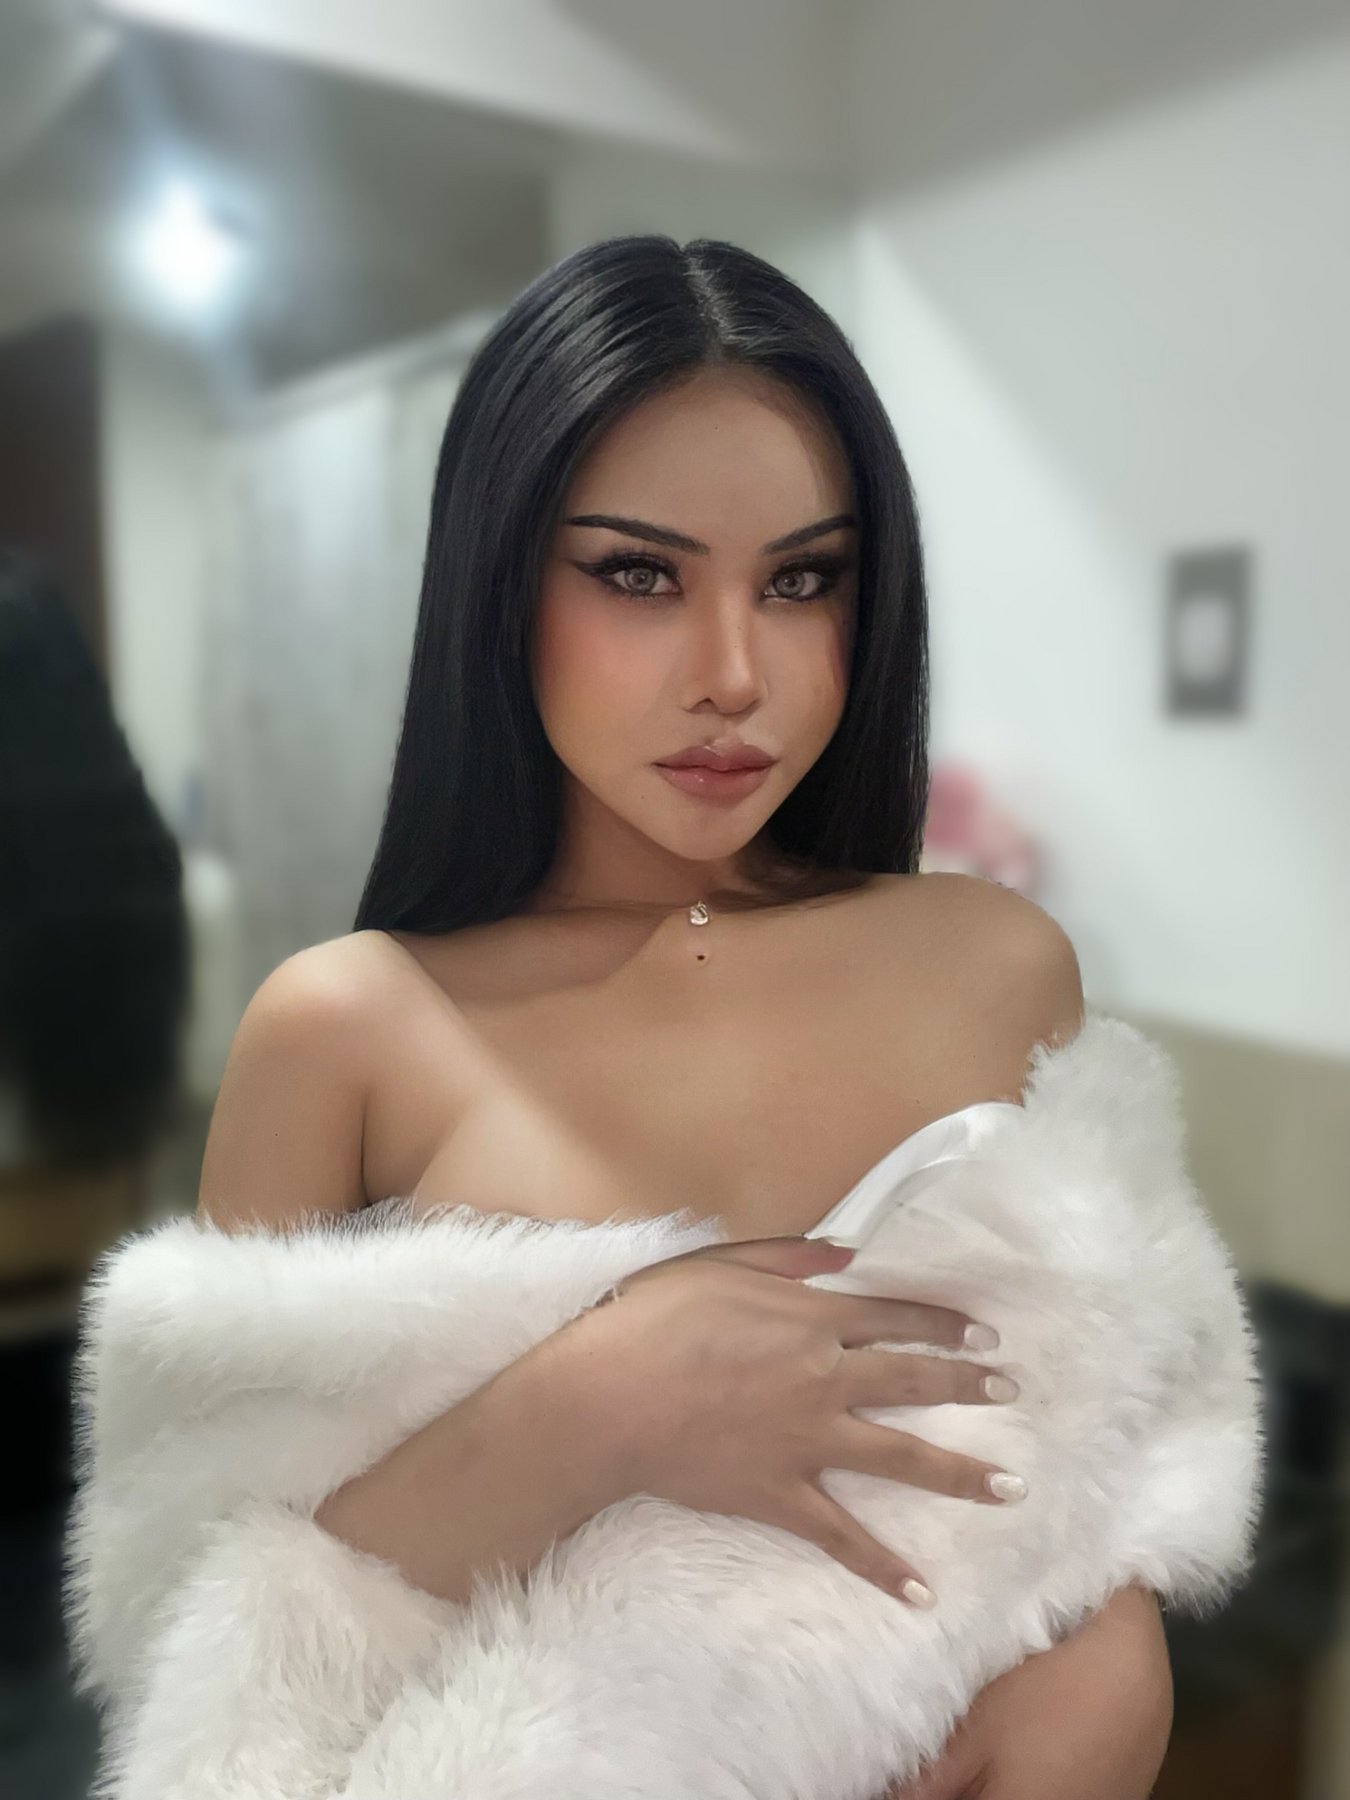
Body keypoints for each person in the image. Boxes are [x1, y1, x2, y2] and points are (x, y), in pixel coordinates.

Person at [194, 235, 1173, 1798]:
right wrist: (601, 1403)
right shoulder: (345, 1031)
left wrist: (1103, 1657)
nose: (734, 674)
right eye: (638, 574)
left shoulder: (996, 967)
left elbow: (1117, 1469)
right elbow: (203, 1655)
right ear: (498, 579)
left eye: (802, 580)